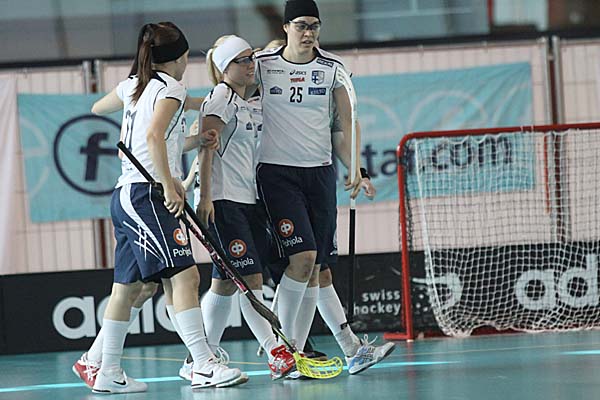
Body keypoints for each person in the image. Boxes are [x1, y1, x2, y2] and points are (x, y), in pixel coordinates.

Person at [74, 22, 244, 394]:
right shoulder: (171, 88)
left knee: (130, 288)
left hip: (125, 195)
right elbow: (153, 136)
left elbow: (100, 107)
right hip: (148, 196)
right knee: (184, 277)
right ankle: (203, 364)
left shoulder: (135, 85)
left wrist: (196, 139)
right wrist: (169, 184)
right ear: (180, 58)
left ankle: (105, 369)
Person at [254, 0, 395, 375]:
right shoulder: (263, 65)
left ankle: (343, 351)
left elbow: (346, 122)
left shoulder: (333, 68)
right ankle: (284, 351)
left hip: (319, 176)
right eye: (301, 25)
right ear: (285, 27)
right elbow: (227, 86)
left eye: (314, 26)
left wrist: (357, 169)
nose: (308, 33)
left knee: (319, 270)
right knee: (302, 260)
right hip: (277, 176)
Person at [178, 34, 296, 382]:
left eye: (250, 58)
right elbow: (207, 147)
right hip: (223, 202)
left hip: (249, 200)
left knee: (225, 285)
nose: (250, 65)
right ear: (224, 68)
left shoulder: (246, 101)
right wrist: (205, 197)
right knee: (249, 279)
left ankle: (198, 358)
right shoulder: (220, 98)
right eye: (242, 61)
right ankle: (276, 353)